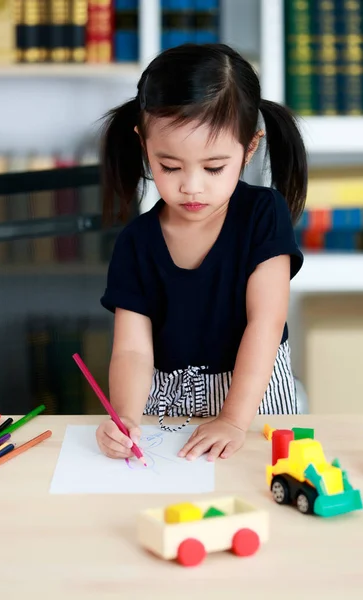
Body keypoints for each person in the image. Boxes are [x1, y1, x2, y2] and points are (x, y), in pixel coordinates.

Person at [96, 43, 307, 463]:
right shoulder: (136, 242)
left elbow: (265, 323)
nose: (192, 187)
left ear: (249, 148)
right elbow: (133, 351)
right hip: (166, 408)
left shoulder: (262, 215)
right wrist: (124, 417)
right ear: (144, 146)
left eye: (214, 168)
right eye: (169, 167)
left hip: (253, 400)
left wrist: (232, 418)